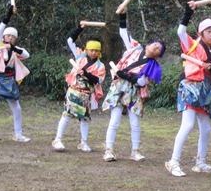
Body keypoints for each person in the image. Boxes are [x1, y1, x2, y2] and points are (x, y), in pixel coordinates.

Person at [165, 0, 211, 177]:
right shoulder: (192, 45)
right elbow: (180, 31)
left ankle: (200, 162)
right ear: (201, 33)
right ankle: (173, 161)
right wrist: (188, 12)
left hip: (207, 91)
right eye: (209, 31)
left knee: (206, 128)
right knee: (187, 125)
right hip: (191, 87)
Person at [102, 11, 165, 162]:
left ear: (158, 56)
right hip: (119, 86)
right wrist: (123, 15)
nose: (155, 47)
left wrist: (126, 75)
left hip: (134, 91)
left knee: (134, 122)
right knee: (115, 119)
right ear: (148, 45)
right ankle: (108, 150)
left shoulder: (152, 66)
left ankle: (135, 151)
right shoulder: (134, 48)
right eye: (155, 44)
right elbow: (123, 32)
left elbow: (141, 82)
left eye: (159, 49)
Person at [0, 4, 31, 144]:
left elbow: (27, 54)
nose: (10, 37)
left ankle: (18, 134)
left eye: (12, 37)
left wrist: (13, 47)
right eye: (8, 35)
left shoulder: (15, 50)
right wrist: (10, 12)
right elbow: (1, 26)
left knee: (17, 108)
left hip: (9, 81)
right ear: (3, 36)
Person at [52, 22, 106, 152]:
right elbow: (70, 40)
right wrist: (80, 28)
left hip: (87, 94)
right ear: (86, 49)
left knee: (85, 118)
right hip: (74, 91)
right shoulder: (80, 56)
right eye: (91, 50)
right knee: (67, 114)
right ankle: (57, 139)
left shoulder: (100, 66)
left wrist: (86, 74)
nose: (93, 52)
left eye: (96, 51)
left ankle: (84, 142)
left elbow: (98, 80)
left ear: (99, 52)